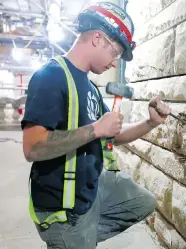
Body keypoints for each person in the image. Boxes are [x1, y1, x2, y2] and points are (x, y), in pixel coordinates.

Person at [22, 2, 171, 249]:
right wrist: (96, 129)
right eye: (115, 52)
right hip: (64, 208)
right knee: (76, 239)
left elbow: (113, 134)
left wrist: (150, 122)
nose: (115, 63)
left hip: (90, 193)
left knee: (142, 202)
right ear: (98, 38)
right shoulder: (50, 77)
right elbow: (33, 148)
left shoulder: (89, 87)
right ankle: (70, 238)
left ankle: (81, 237)